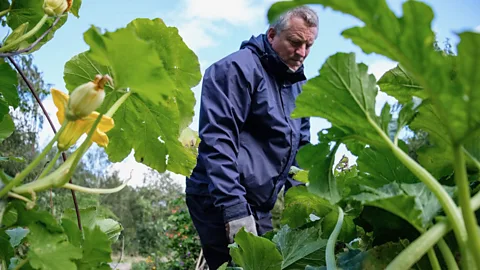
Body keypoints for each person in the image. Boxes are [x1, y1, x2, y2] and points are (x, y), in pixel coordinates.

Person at [185, 6, 319, 269]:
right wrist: (234, 210)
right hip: (217, 195)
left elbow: (301, 152)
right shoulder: (235, 69)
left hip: (259, 202)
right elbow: (218, 142)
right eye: (295, 42)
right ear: (272, 35)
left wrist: (307, 211)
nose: (302, 53)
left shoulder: (298, 86)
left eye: (308, 45)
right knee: (235, 265)